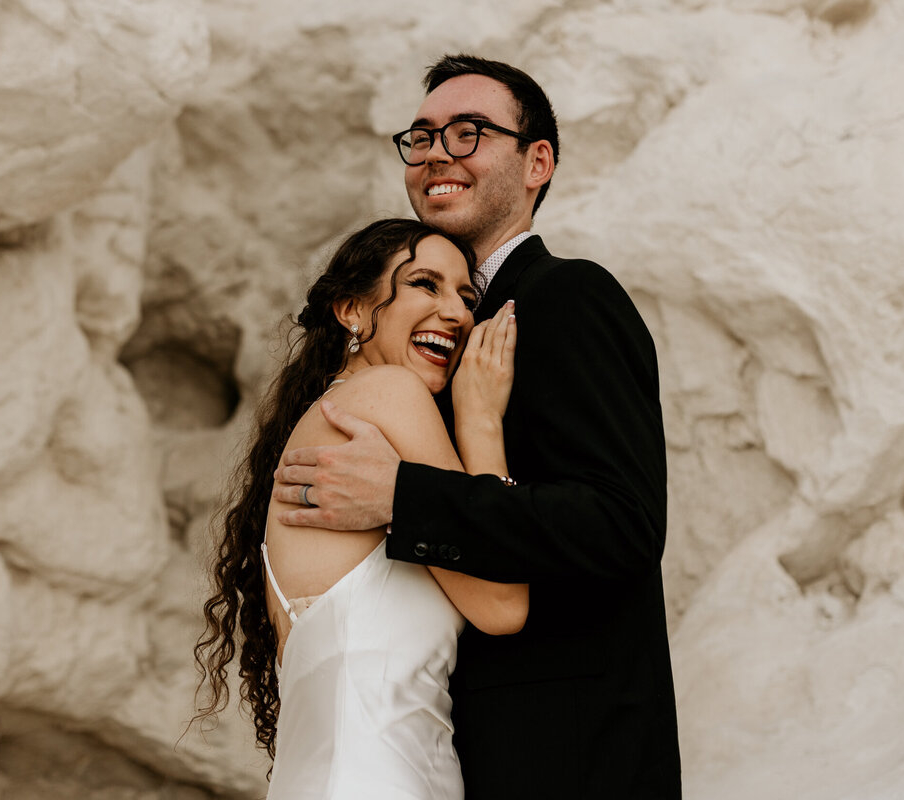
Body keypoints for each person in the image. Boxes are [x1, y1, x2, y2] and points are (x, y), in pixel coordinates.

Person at [273, 55, 681, 798]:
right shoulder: (428, 352)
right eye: (422, 137)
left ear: (537, 161)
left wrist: (406, 498)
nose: (437, 154)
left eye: (468, 133)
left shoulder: (566, 298)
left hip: (569, 756)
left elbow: (622, 522)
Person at [194, 218, 527, 799]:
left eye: (466, 295)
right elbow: (501, 604)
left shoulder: (331, 415)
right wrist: (480, 420)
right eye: (425, 283)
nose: (455, 312)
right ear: (351, 311)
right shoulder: (386, 395)